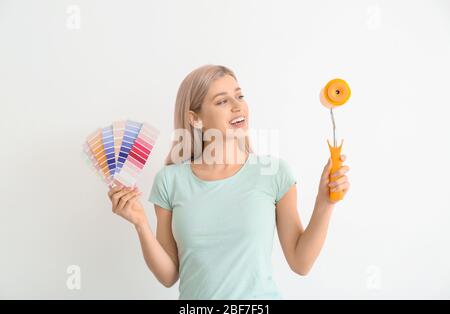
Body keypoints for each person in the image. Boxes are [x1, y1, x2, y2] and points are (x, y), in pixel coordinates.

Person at [107, 65, 351, 299]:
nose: (238, 106)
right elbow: (169, 275)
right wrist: (140, 223)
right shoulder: (170, 181)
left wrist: (325, 203)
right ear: (195, 118)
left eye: (239, 96)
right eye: (222, 101)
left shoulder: (274, 173)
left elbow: (301, 263)